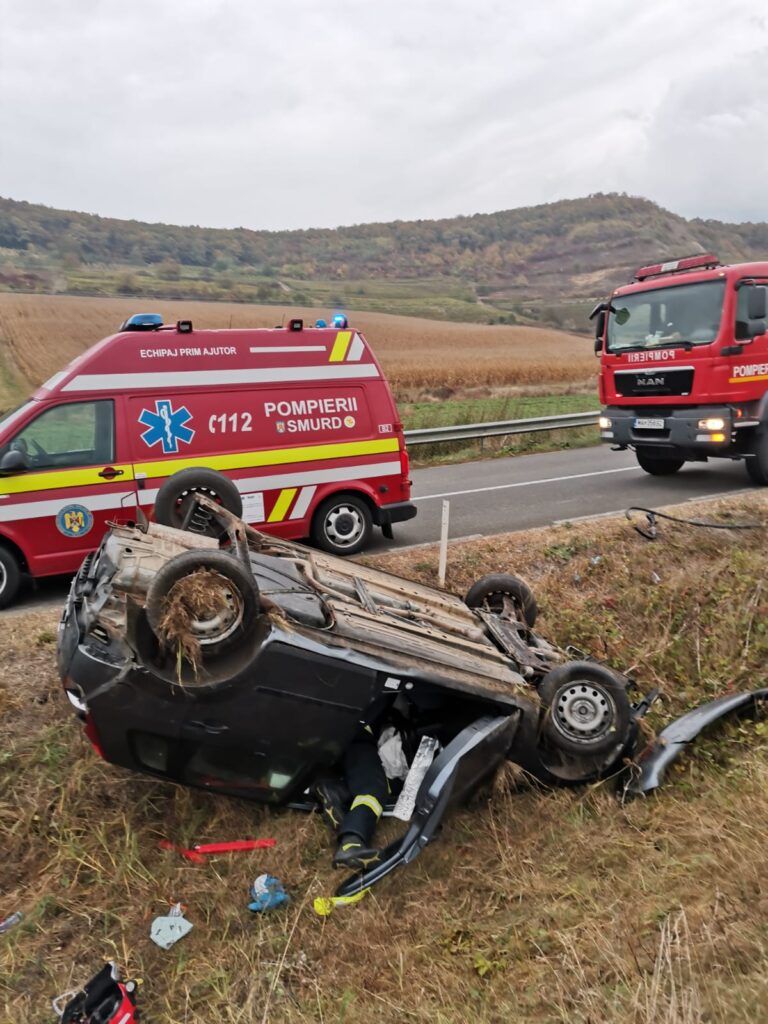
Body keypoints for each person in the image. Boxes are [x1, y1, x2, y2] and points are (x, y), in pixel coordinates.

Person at [314, 724, 389, 871]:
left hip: (314, 744)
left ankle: (334, 791)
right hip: (353, 731)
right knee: (372, 788)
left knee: (346, 772)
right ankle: (351, 842)